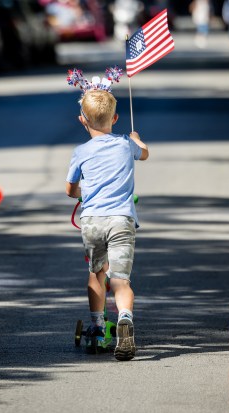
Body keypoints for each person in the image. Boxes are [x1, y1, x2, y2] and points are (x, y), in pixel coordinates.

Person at [65, 73, 149, 361]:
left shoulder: (80, 152)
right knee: (121, 280)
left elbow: (70, 189)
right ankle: (125, 318)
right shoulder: (126, 144)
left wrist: (80, 193)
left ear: (82, 121)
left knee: (96, 274)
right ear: (115, 119)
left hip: (92, 220)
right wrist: (137, 139)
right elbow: (146, 154)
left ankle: (98, 327)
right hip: (121, 219)